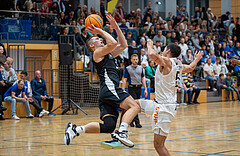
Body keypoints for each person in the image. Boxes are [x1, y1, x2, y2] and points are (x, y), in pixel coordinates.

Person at [64, 15, 140, 148]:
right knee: (134, 107)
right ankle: (122, 132)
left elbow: (123, 44)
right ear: (92, 45)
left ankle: (76, 129)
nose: (100, 39)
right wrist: (100, 31)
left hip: (106, 92)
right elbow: (113, 43)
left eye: (99, 37)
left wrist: (116, 26)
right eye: (97, 39)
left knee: (108, 126)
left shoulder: (108, 54)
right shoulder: (97, 53)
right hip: (110, 89)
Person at [137, 39, 203, 155]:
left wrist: (149, 44)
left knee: (159, 145)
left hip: (164, 107)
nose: (162, 51)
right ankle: (122, 131)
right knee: (133, 104)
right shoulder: (178, 64)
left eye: (163, 49)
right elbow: (191, 67)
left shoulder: (168, 62)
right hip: (160, 104)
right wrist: (196, 59)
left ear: (167, 51)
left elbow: (152, 54)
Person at [123, 54, 148, 128]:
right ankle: (137, 122)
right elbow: (125, 79)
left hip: (139, 88)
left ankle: (131, 121)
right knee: (135, 105)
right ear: (131, 60)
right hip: (131, 87)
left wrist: (145, 89)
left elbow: (143, 78)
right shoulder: (128, 68)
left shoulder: (141, 68)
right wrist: (123, 89)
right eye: (134, 59)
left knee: (137, 104)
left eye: (136, 59)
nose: (135, 61)